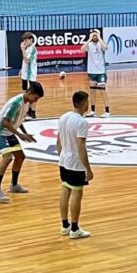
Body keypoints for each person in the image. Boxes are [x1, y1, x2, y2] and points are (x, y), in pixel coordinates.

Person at [0, 81, 44, 203]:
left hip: (8, 132)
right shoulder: (16, 103)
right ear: (29, 93)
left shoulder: (26, 102)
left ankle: (14, 185)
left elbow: (19, 119)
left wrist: (25, 133)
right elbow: (4, 122)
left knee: (20, 156)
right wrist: (20, 135)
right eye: (35, 98)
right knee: (8, 158)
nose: (35, 101)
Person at [56, 91, 94, 239]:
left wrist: (62, 157)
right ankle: (75, 228)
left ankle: (64, 225)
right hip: (75, 164)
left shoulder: (63, 117)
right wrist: (88, 168)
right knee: (77, 195)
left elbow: (58, 142)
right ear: (84, 104)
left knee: (65, 191)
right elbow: (81, 146)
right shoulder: (81, 122)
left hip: (63, 160)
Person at [81, 29, 110, 118]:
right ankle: (93, 111)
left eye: (95, 35)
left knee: (102, 91)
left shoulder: (100, 44)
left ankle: (107, 111)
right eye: (93, 35)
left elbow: (105, 48)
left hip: (100, 72)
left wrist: (99, 36)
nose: (94, 37)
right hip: (92, 72)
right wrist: (89, 39)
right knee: (92, 92)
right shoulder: (89, 44)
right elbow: (82, 49)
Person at [20, 32, 38, 120]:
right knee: (26, 93)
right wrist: (21, 69)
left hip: (29, 77)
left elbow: (27, 60)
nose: (24, 42)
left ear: (31, 39)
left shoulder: (33, 49)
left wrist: (22, 49)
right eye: (23, 40)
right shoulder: (28, 48)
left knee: (30, 95)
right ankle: (29, 112)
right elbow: (25, 62)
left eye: (26, 40)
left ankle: (32, 113)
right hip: (25, 75)